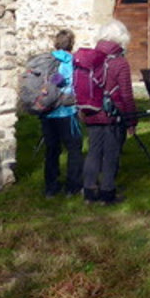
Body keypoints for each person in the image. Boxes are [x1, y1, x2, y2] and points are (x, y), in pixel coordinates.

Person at [75, 20, 136, 205]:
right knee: (111, 154)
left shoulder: (90, 59)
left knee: (93, 151)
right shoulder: (120, 63)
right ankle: (107, 193)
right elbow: (126, 94)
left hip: (91, 111)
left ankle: (89, 191)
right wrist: (131, 121)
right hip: (112, 115)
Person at [41, 28, 82, 197]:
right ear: (71, 44)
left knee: (51, 149)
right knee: (74, 148)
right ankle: (73, 186)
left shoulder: (46, 60)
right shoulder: (71, 61)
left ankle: (50, 187)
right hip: (66, 112)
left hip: (47, 111)